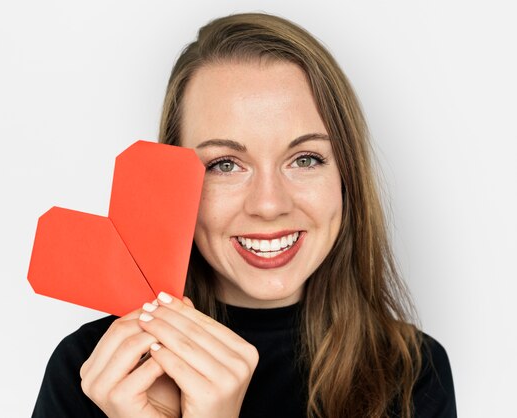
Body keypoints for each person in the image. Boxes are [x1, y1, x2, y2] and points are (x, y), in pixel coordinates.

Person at [32, 12, 456, 418]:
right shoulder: (95, 375)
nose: (269, 205)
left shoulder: (413, 372)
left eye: (305, 159)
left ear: (346, 175)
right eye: (225, 165)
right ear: (174, 180)